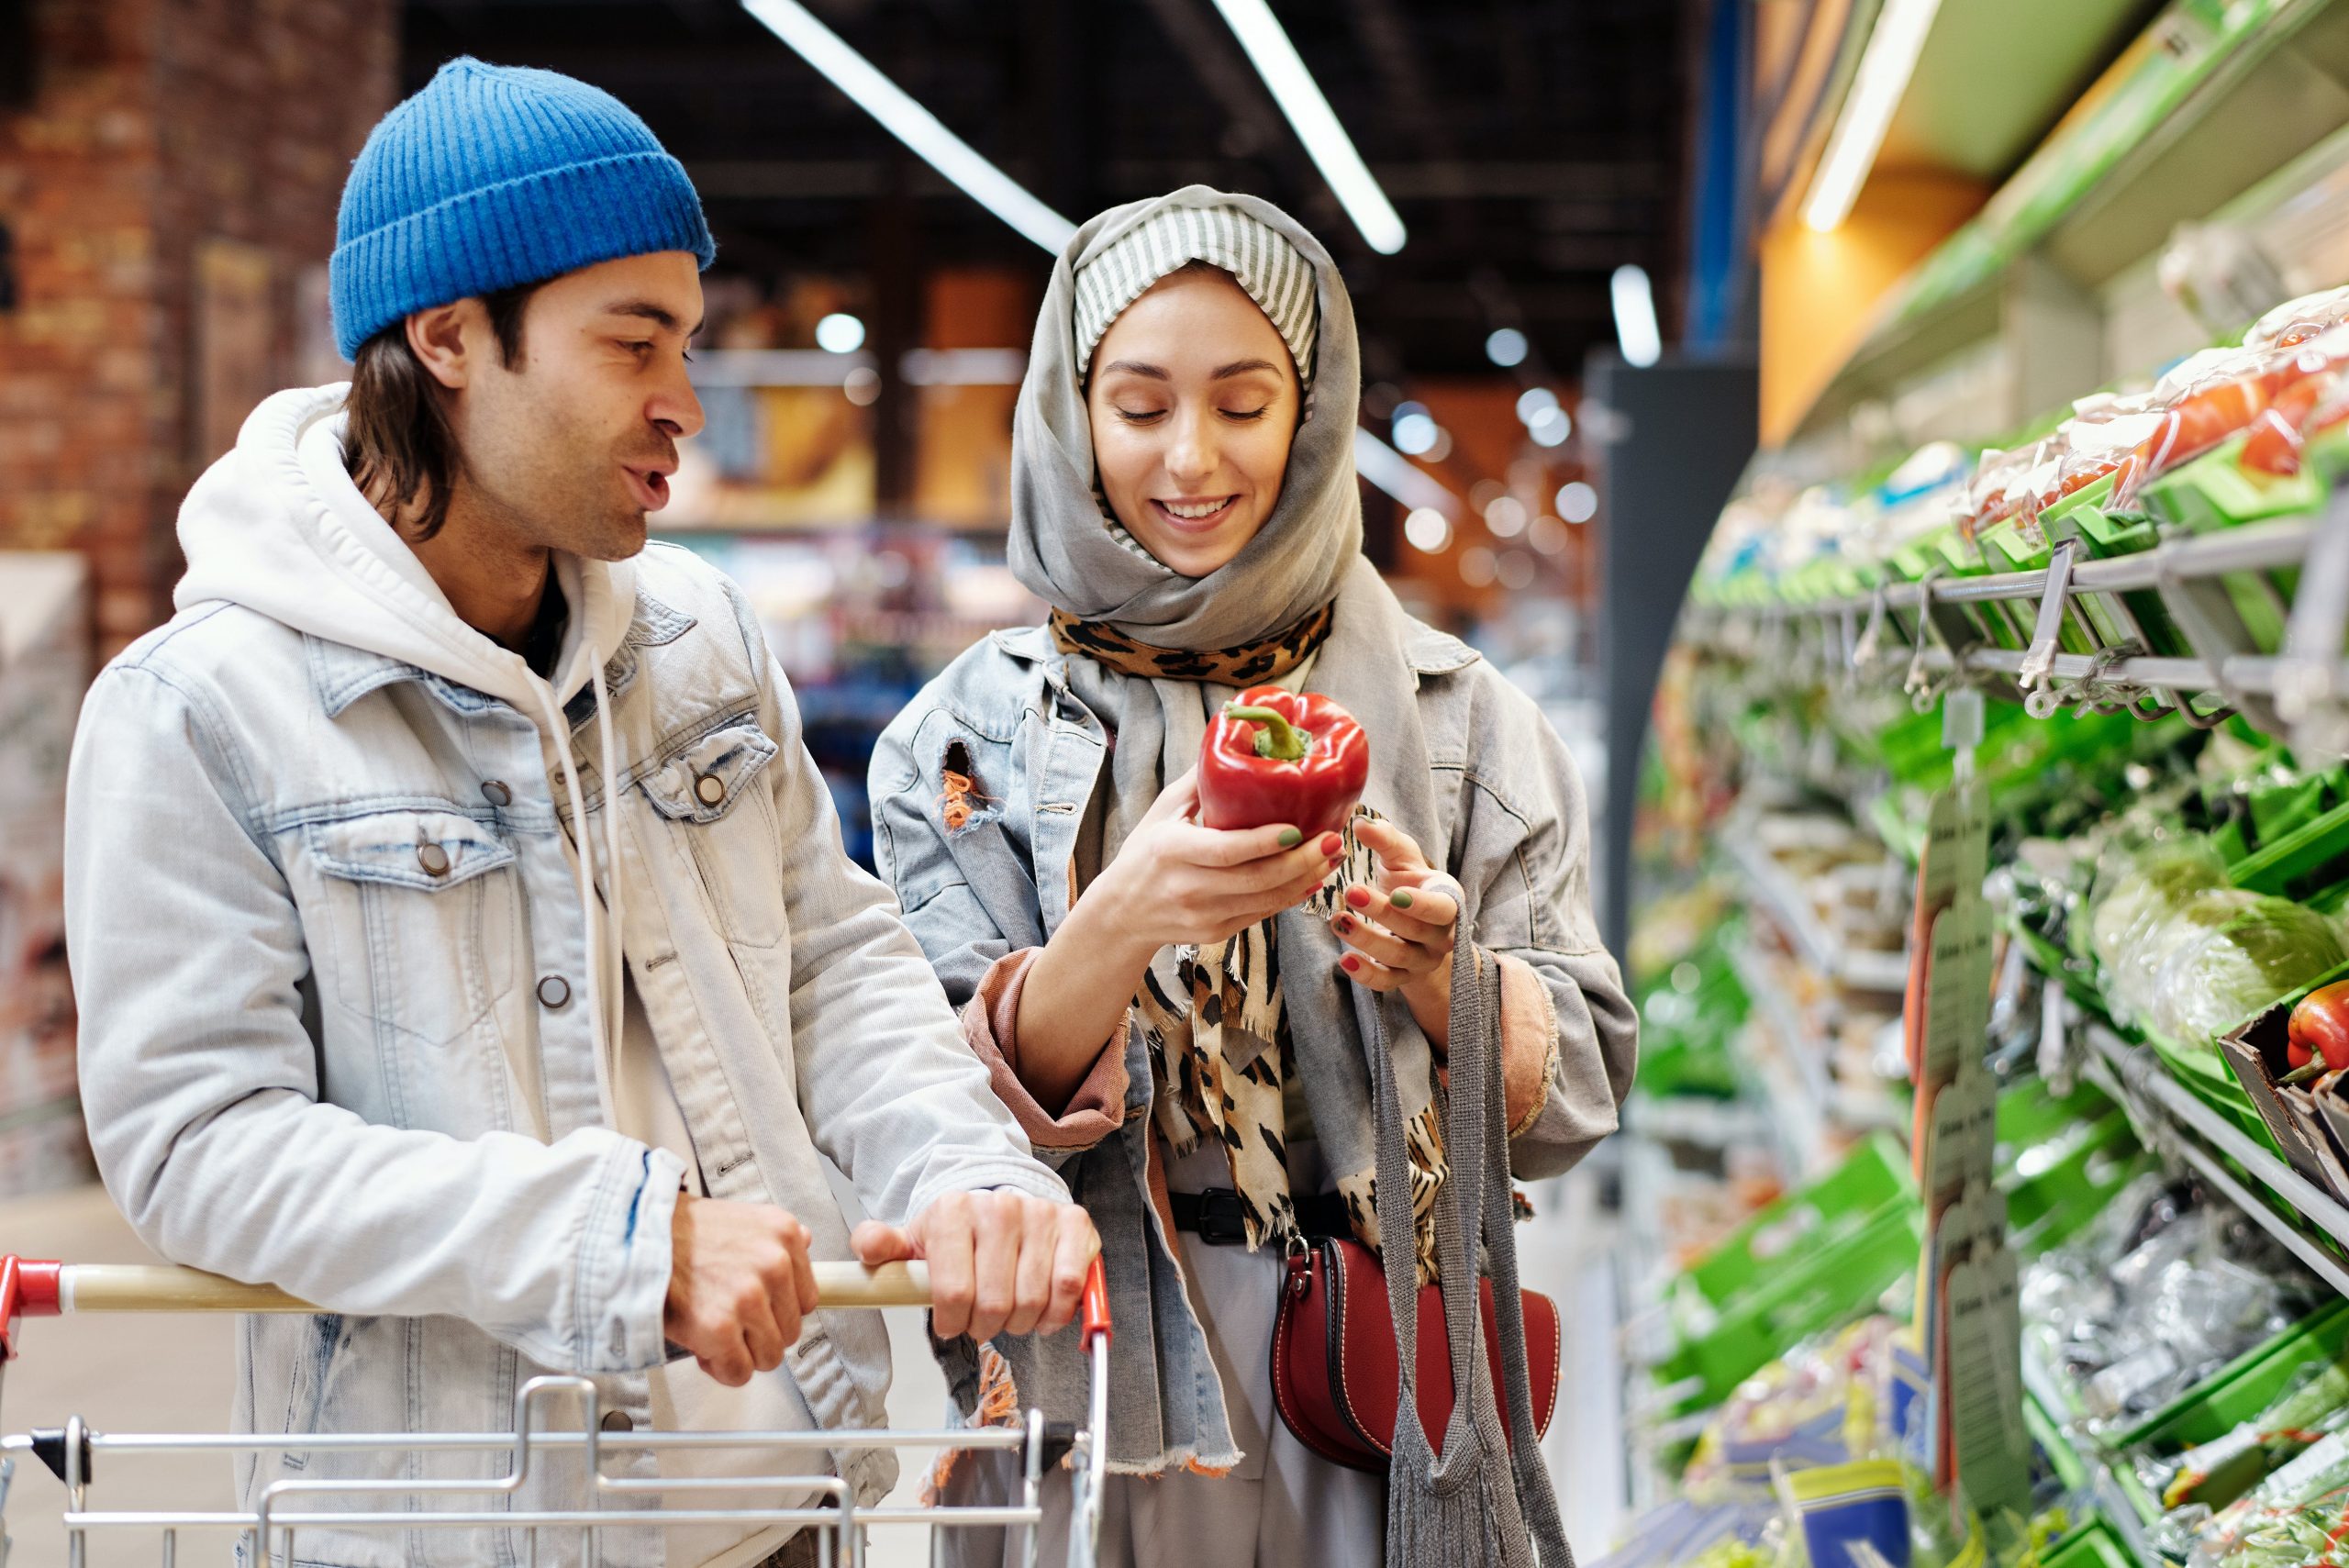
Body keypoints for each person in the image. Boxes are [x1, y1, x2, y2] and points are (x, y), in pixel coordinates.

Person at [62, 60, 1094, 1568]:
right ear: (449, 336)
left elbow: (834, 969)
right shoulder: (203, 710)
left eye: (685, 339)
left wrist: (966, 1169)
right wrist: (615, 1245)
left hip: (779, 1514)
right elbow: (196, 1144)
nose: (686, 402)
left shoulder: (703, 644)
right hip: (444, 1531)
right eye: (633, 344)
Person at [870, 187, 1639, 1566]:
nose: (1190, 456)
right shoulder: (956, 745)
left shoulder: (1460, 721)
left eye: (1242, 401)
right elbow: (919, 1115)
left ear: (1312, 412)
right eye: (1140, 401)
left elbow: (1582, 1081)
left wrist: (1442, 976)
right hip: (1093, 1357)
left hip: (1382, 1368)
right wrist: (1116, 925)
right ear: (1070, 410)